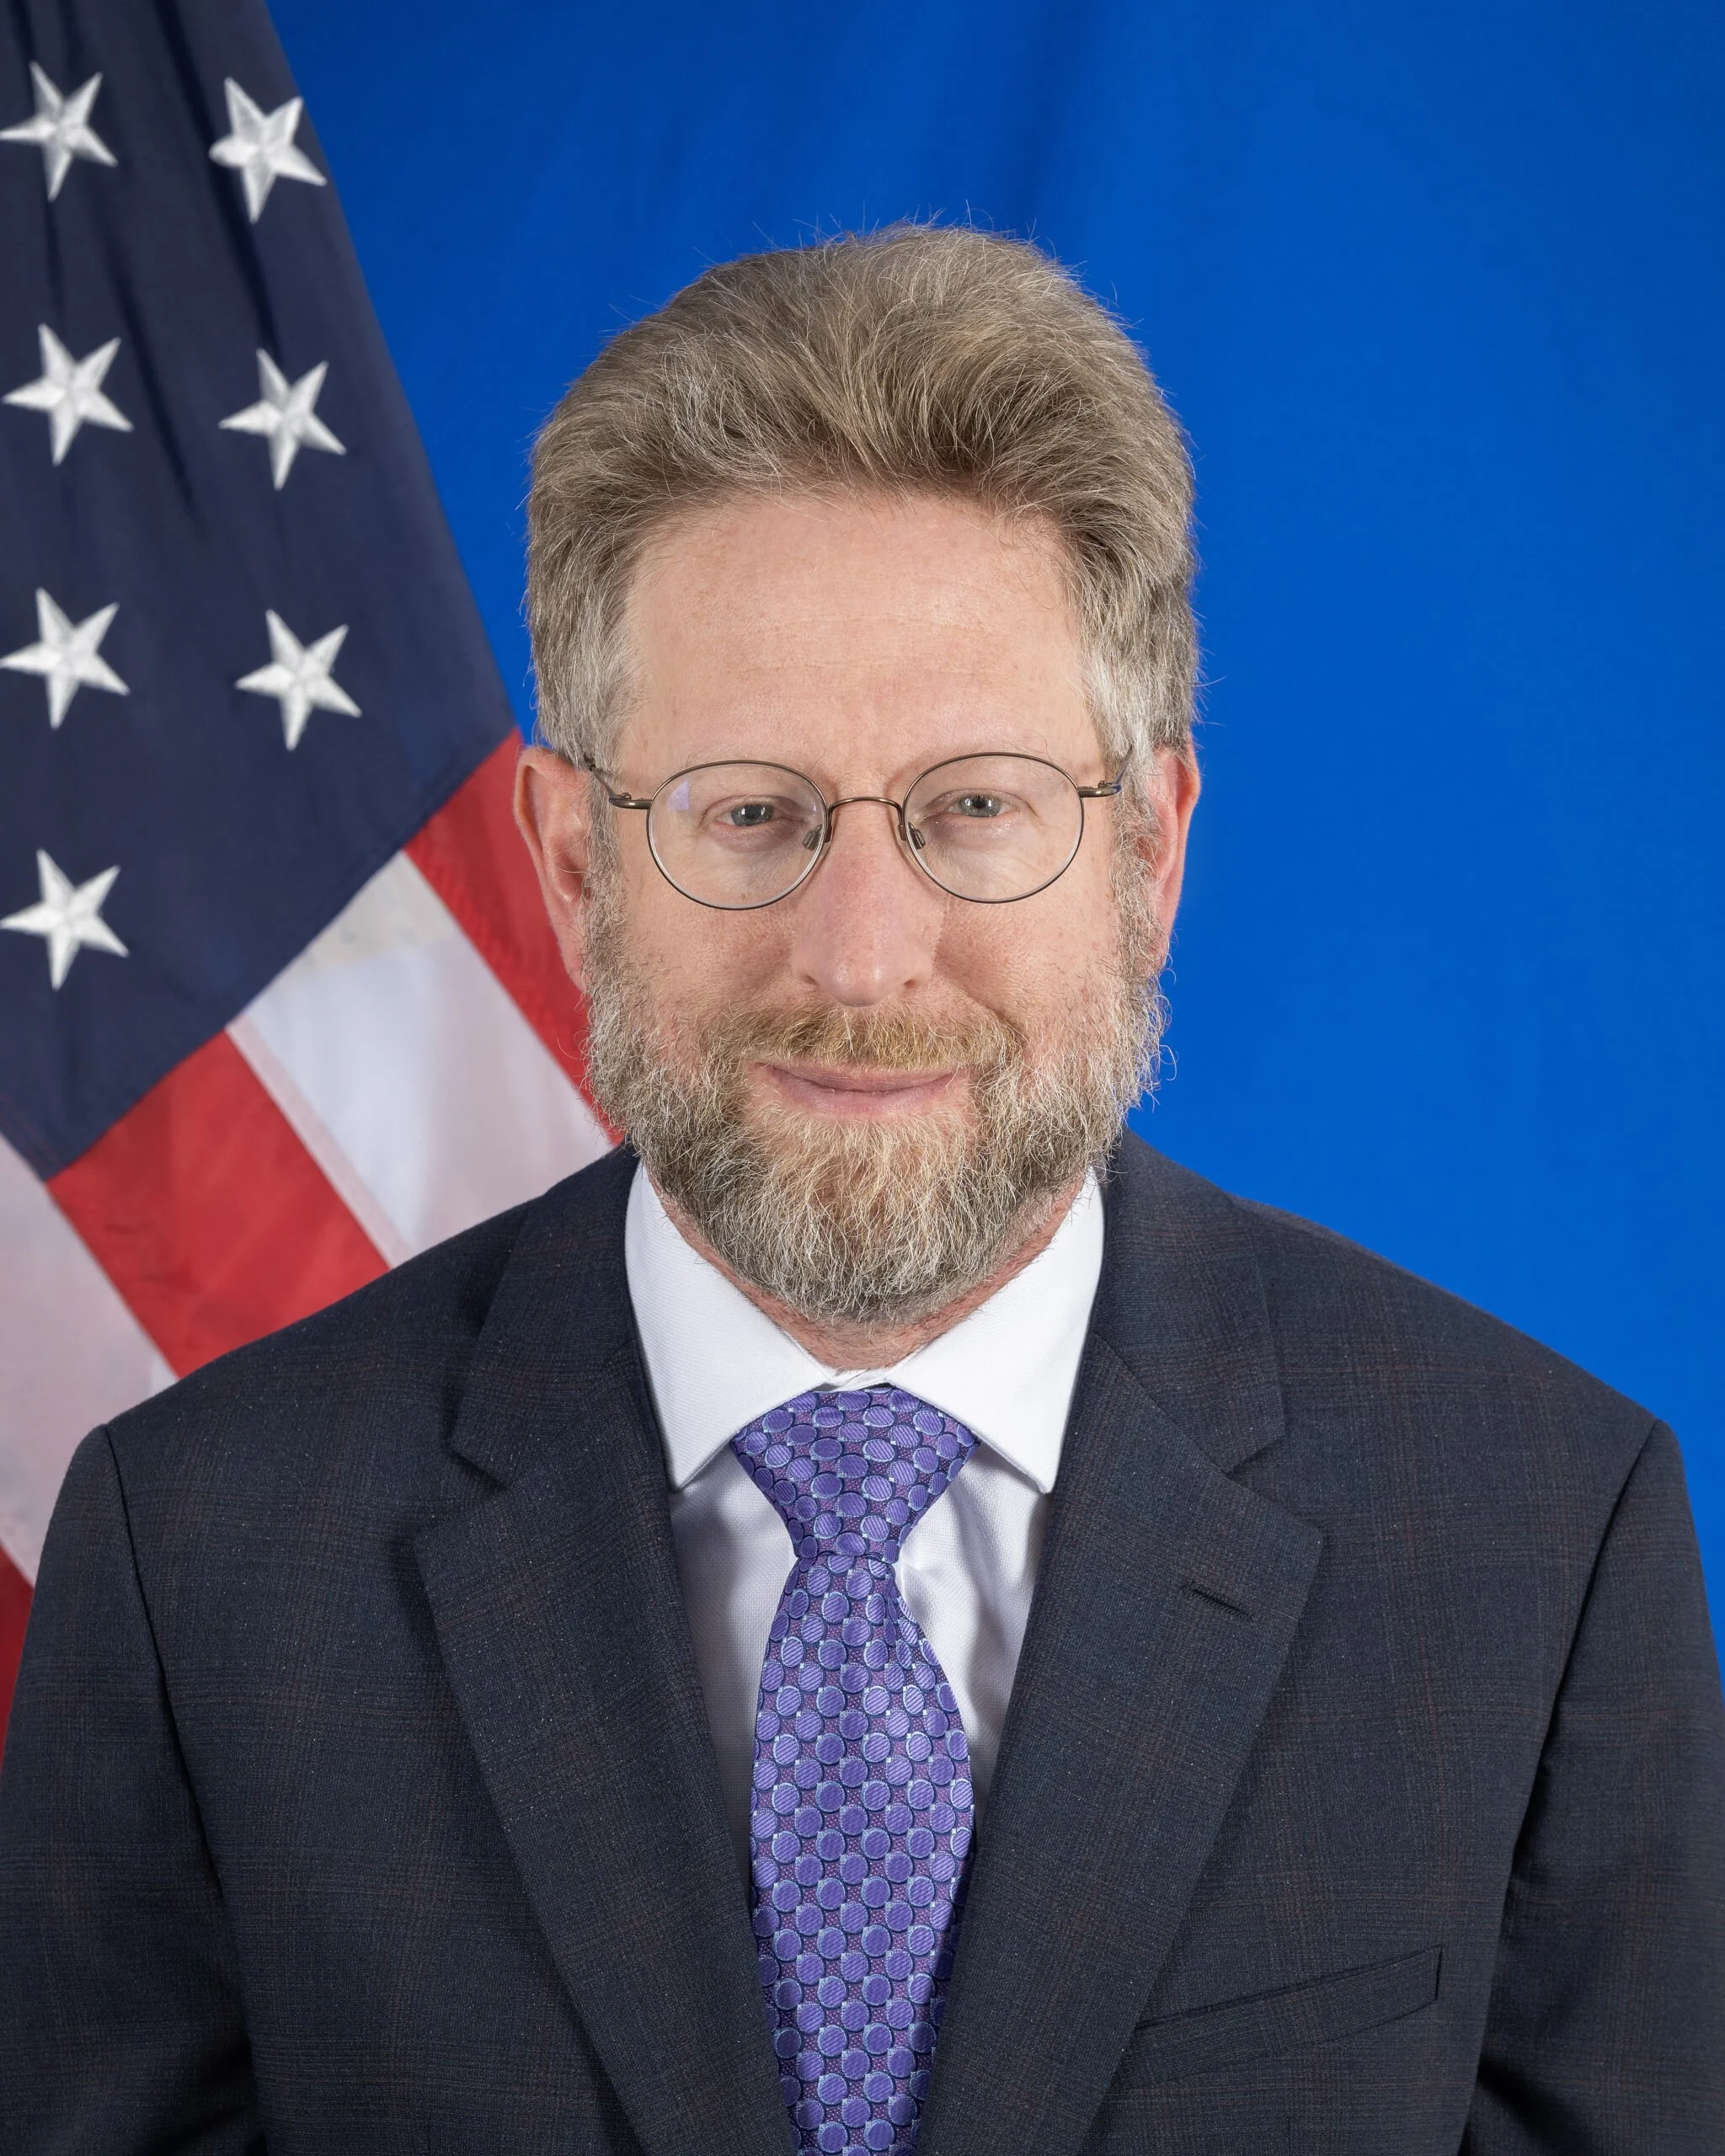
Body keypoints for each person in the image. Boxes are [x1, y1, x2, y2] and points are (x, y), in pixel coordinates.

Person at [2, 227, 1720, 2156]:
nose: (860, 952)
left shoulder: (1536, 1539)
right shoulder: (201, 1556)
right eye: (750, 812)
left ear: (1147, 851)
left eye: (976, 806)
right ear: (574, 863)